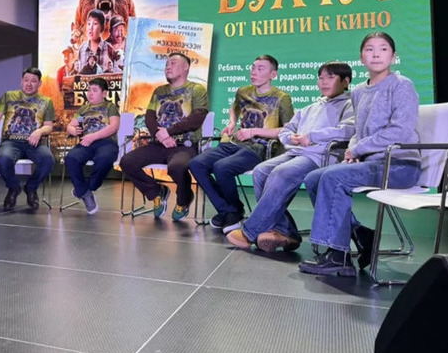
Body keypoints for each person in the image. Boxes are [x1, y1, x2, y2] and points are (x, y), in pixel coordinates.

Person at [299, 32, 421, 277]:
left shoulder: (402, 85)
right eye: (370, 49)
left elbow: (400, 130)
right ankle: (360, 234)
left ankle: (338, 257)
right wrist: (352, 151)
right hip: (371, 163)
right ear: (361, 57)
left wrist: (358, 148)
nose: (376, 54)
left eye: (383, 49)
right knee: (313, 178)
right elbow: (358, 129)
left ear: (394, 56)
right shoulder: (358, 92)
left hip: (399, 164)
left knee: (333, 178)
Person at [226, 62, 354, 252]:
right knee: (261, 171)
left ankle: (249, 232)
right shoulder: (311, 107)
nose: (324, 82)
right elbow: (287, 129)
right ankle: (285, 231)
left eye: (330, 77)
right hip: (297, 152)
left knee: (282, 173)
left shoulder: (350, 104)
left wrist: (312, 136)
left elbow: (348, 130)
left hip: (322, 156)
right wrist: (291, 138)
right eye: (320, 78)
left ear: (346, 82)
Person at [188, 55, 294, 233]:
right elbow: (234, 107)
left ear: (273, 74)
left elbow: (288, 130)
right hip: (236, 142)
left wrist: (254, 132)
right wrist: (232, 122)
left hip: (260, 148)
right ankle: (230, 210)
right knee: (196, 164)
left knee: (222, 167)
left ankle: (230, 212)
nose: (254, 72)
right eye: (253, 68)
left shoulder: (282, 98)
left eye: (260, 69)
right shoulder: (243, 91)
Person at [119, 53, 209, 221]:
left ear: (186, 67)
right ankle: (156, 192)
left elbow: (196, 118)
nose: (168, 67)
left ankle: (184, 199)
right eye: (167, 64)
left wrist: (169, 132)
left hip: (185, 145)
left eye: (173, 63)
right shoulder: (159, 91)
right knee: (127, 161)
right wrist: (161, 136)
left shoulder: (197, 90)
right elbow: (150, 117)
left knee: (177, 167)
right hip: (158, 144)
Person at [0, 68, 55, 210]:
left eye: (33, 81)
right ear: (21, 81)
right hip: (11, 142)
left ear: (39, 83)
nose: (29, 84)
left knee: (48, 160)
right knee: (3, 160)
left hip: (34, 143)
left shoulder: (47, 101)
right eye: (26, 80)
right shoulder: (8, 96)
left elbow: (49, 126)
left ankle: (31, 188)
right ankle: (14, 187)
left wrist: (39, 131)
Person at [64, 77, 120, 214]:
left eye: (94, 90)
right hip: (86, 142)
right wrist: (73, 130)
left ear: (104, 93)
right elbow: (70, 126)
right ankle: (85, 193)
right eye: (89, 90)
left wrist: (93, 136)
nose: (90, 93)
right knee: (71, 158)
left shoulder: (110, 107)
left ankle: (84, 189)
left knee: (104, 159)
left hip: (106, 142)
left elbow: (114, 127)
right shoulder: (83, 109)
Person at [77, 9, 118, 74]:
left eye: (95, 24)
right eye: (89, 23)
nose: (91, 28)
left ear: (102, 28)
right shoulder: (82, 49)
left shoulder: (109, 48)